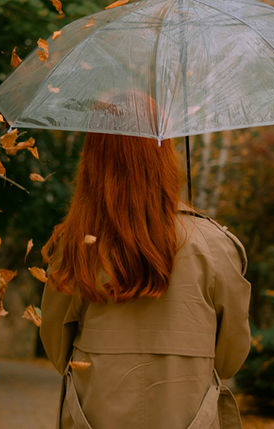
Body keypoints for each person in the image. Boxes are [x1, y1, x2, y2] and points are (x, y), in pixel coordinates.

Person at [40, 132, 252, 429]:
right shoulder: (214, 246)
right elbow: (229, 360)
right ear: (164, 157)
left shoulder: (75, 245)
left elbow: (56, 349)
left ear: (92, 161)